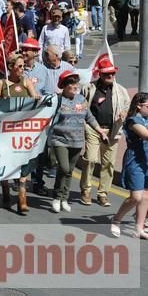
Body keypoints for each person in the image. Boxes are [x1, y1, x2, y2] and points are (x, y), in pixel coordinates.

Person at [48, 71, 108, 214]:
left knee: (69, 171)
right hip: (60, 140)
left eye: (76, 83)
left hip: (77, 141)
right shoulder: (57, 100)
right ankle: (56, 197)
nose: (75, 86)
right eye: (72, 84)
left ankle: (64, 198)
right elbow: (46, 116)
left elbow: (89, 116)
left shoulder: (81, 100)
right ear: (64, 86)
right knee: (64, 168)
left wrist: (100, 130)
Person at [79, 58, 130, 207]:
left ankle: (103, 193)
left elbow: (128, 105)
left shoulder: (121, 90)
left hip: (112, 131)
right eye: (107, 74)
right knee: (90, 159)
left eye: (112, 73)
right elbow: (82, 105)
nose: (110, 76)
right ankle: (86, 190)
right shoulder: (89, 88)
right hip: (93, 128)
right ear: (100, 74)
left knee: (108, 164)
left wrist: (125, 112)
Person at [0, 53, 40, 214]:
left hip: (23, 131)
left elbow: (34, 98)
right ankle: (5, 191)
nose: (22, 69)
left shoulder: (26, 81)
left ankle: (22, 198)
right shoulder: (1, 83)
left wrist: (37, 98)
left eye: (23, 66)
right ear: (11, 68)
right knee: (6, 163)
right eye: (19, 66)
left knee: (23, 163)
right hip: (6, 131)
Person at [111, 92, 148, 238]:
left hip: (146, 159)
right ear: (139, 106)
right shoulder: (133, 121)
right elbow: (145, 135)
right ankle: (116, 219)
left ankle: (139, 228)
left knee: (146, 196)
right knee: (136, 197)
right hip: (135, 161)